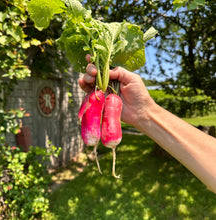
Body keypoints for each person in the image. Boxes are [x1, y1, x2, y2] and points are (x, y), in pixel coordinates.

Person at [78, 54, 216, 194]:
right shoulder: (106, 97)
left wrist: (144, 111)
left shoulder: (113, 99)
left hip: (112, 98)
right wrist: (144, 113)